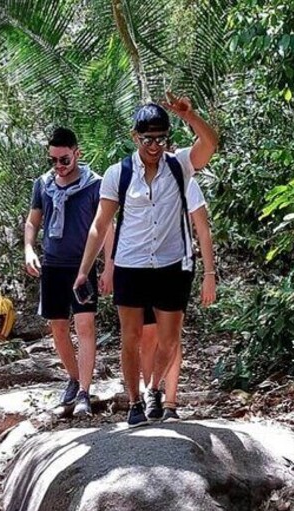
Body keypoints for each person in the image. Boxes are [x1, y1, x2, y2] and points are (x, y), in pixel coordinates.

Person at [75, 94, 218, 427]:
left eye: (160, 138)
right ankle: (135, 402)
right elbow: (100, 225)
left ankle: (154, 387)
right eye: (147, 138)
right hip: (131, 265)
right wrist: (85, 269)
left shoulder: (179, 165)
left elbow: (210, 144)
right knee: (131, 337)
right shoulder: (118, 174)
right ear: (134, 137)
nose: (154, 145)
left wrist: (190, 115)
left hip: (172, 265)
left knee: (169, 340)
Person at [24, 127, 114, 418]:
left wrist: (108, 267)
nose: (58, 167)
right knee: (58, 328)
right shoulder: (43, 184)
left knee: (85, 327)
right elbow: (32, 221)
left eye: (64, 160)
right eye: (53, 160)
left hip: (82, 266)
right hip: (52, 264)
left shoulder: (95, 185)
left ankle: (85, 392)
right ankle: (74, 379)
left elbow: (106, 228)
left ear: (77, 153)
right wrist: (28, 249)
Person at [137, 178, 213, 421]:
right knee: (148, 334)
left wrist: (209, 274)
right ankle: (151, 396)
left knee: (171, 334)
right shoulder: (135, 180)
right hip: (142, 265)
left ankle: (170, 401)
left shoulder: (185, 181)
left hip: (178, 266)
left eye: (161, 141)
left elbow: (202, 227)